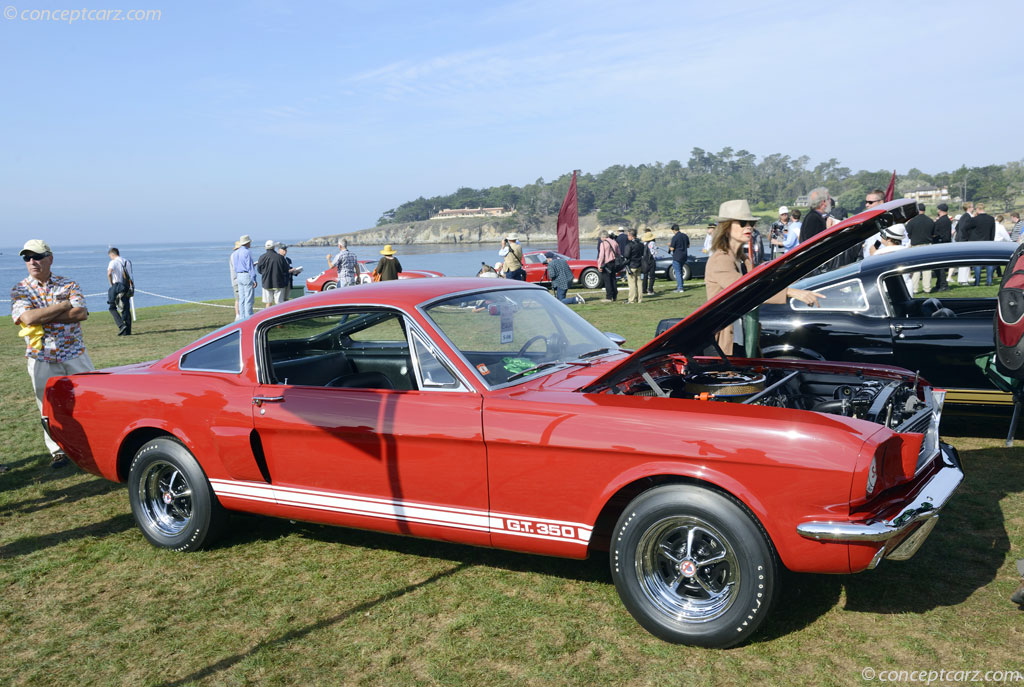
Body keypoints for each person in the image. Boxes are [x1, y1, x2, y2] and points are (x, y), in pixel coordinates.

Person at [10, 239, 94, 468]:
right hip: (41, 357)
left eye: (36, 256)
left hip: (74, 354)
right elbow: (27, 318)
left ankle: (92, 444)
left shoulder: (68, 284)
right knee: (46, 406)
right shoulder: (20, 289)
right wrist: (63, 306)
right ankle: (58, 451)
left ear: (50, 258)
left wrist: (42, 315)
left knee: (88, 400)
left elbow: (81, 313)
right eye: (27, 258)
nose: (32, 262)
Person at [706, 201, 822, 355]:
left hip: (744, 337)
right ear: (726, 227)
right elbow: (747, 290)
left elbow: (761, 282)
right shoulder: (720, 259)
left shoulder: (742, 259)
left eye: (751, 223)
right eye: (742, 223)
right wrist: (791, 292)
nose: (748, 227)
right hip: (725, 343)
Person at [906, 203, 936, 294]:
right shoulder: (930, 221)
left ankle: (915, 288)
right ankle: (927, 288)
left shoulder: (912, 222)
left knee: (916, 269)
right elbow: (933, 233)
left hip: (915, 246)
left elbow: (908, 234)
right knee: (927, 268)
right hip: (928, 245)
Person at [106, 246, 133, 336]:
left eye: (110, 256)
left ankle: (121, 325)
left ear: (112, 254)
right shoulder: (127, 261)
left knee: (112, 307)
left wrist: (111, 285)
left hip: (117, 285)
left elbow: (109, 273)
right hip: (127, 286)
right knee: (126, 308)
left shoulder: (113, 262)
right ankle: (127, 331)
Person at [231, 235, 257, 319]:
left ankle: (242, 318)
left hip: (239, 275)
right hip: (246, 275)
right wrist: (254, 278)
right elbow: (250, 266)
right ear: (247, 243)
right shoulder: (247, 252)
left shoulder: (235, 253)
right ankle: (249, 318)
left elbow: (235, 267)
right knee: (249, 299)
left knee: (241, 299)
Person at [970, 203, 996, 286]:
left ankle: (977, 282)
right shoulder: (991, 219)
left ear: (977, 209)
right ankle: (989, 281)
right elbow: (993, 232)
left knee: (977, 263)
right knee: (989, 263)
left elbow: (969, 230)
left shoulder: (974, 219)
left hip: (977, 243)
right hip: (988, 242)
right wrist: (991, 240)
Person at [257, 239, 290, 306]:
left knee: (268, 303)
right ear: (274, 247)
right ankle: (280, 316)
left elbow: (259, 270)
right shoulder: (280, 258)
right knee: (279, 303)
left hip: (266, 282)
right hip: (278, 282)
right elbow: (286, 270)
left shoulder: (262, 257)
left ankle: (268, 316)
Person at [861, 189, 887, 258]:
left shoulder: (889, 221)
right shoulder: (866, 222)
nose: (867, 205)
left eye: (870, 202)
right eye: (866, 202)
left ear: (881, 202)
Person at [597, 230, 621, 302]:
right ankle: (614, 295)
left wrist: (599, 265)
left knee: (607, 280)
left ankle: (609, 297)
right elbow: (619, 253)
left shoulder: (603, 244)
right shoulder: (614, 242)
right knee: (613, 279)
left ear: (603, 237)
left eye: (601, 237)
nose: (600, 239)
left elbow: (601, 255)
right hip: (614, 262)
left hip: (607, 263)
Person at [933, 203, 952, 291]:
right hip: (946, 244)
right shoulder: (947, 220)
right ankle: (939, 283)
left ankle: (943, 284)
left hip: (940, 244)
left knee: (939, 267)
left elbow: (935, 232)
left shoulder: (940, 221)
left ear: (940, 210)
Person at [622, 229, 644, 304]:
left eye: (628, 235)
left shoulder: (629, 245)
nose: (627, 236)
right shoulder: (641, 244)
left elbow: (626, 255)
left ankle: (631, 299)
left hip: (631, 266)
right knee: (639, 282)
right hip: (639, 264)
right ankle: (640, 299)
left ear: (631, 236)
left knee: (632, 283)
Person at [669, 223, 689, 293]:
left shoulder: (675, 237)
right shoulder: (685, 236)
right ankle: (681, 286)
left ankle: (680, 288)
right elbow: (688, 246)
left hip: (677, 256)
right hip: (684, 255)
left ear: (674, 230)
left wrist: (670, 245)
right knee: (680, 271)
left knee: (678, 272)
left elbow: (672, 248)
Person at [640, 231, 658, 295]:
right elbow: (654, 253)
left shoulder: (644, 244)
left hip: (644, 261)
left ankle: (644, 289)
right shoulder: (652, 243)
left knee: (645, 275)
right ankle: (650, 290)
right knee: (652, 276)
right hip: (651, 260)